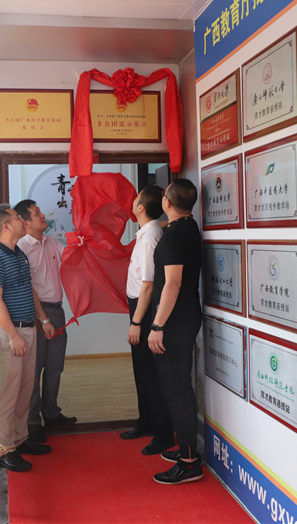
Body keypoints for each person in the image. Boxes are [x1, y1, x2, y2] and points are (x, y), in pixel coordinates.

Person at [0, 204, 54, 472]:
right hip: (8, 334)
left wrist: (43, 320)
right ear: (6, 226)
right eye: (18, 218)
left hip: (28, 329)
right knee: (5, 394)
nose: (23, 220)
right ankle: (4, 449)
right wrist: (13, 335)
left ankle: (20, 439)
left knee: (24, 391)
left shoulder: (18, 253)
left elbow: (29, 288)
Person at [149, 178, 204, 485]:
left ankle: (189, 461)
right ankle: (186, 448)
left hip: (174, 322)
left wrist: (157, 325)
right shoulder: (189, 227)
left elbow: (173, 283)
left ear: (167, 203)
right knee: (179, 386)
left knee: (176, 389)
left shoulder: (172, 238)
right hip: (186, 316)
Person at [14, 199, 77, 443]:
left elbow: (71, 259)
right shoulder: (21, 248)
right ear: (25, 222)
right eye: (37, 213)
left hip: (57, 312)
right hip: (37, 315)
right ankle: (32, 421)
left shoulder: (51, 242)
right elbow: (28, 287)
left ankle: (51, 412)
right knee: (34, 369)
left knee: (55, 367)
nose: (43, 215)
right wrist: (42, 318)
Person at [123, 185, 174, 455]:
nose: (132, 201)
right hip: (139, 308)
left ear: (141, 207)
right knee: (141, 372)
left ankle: (163, 433)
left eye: (136, 198)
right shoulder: (147, 232)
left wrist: (136, 322)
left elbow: (148, 284)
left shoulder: (150, 236)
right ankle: (146, 421)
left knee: (152, 374)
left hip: (144, 310)